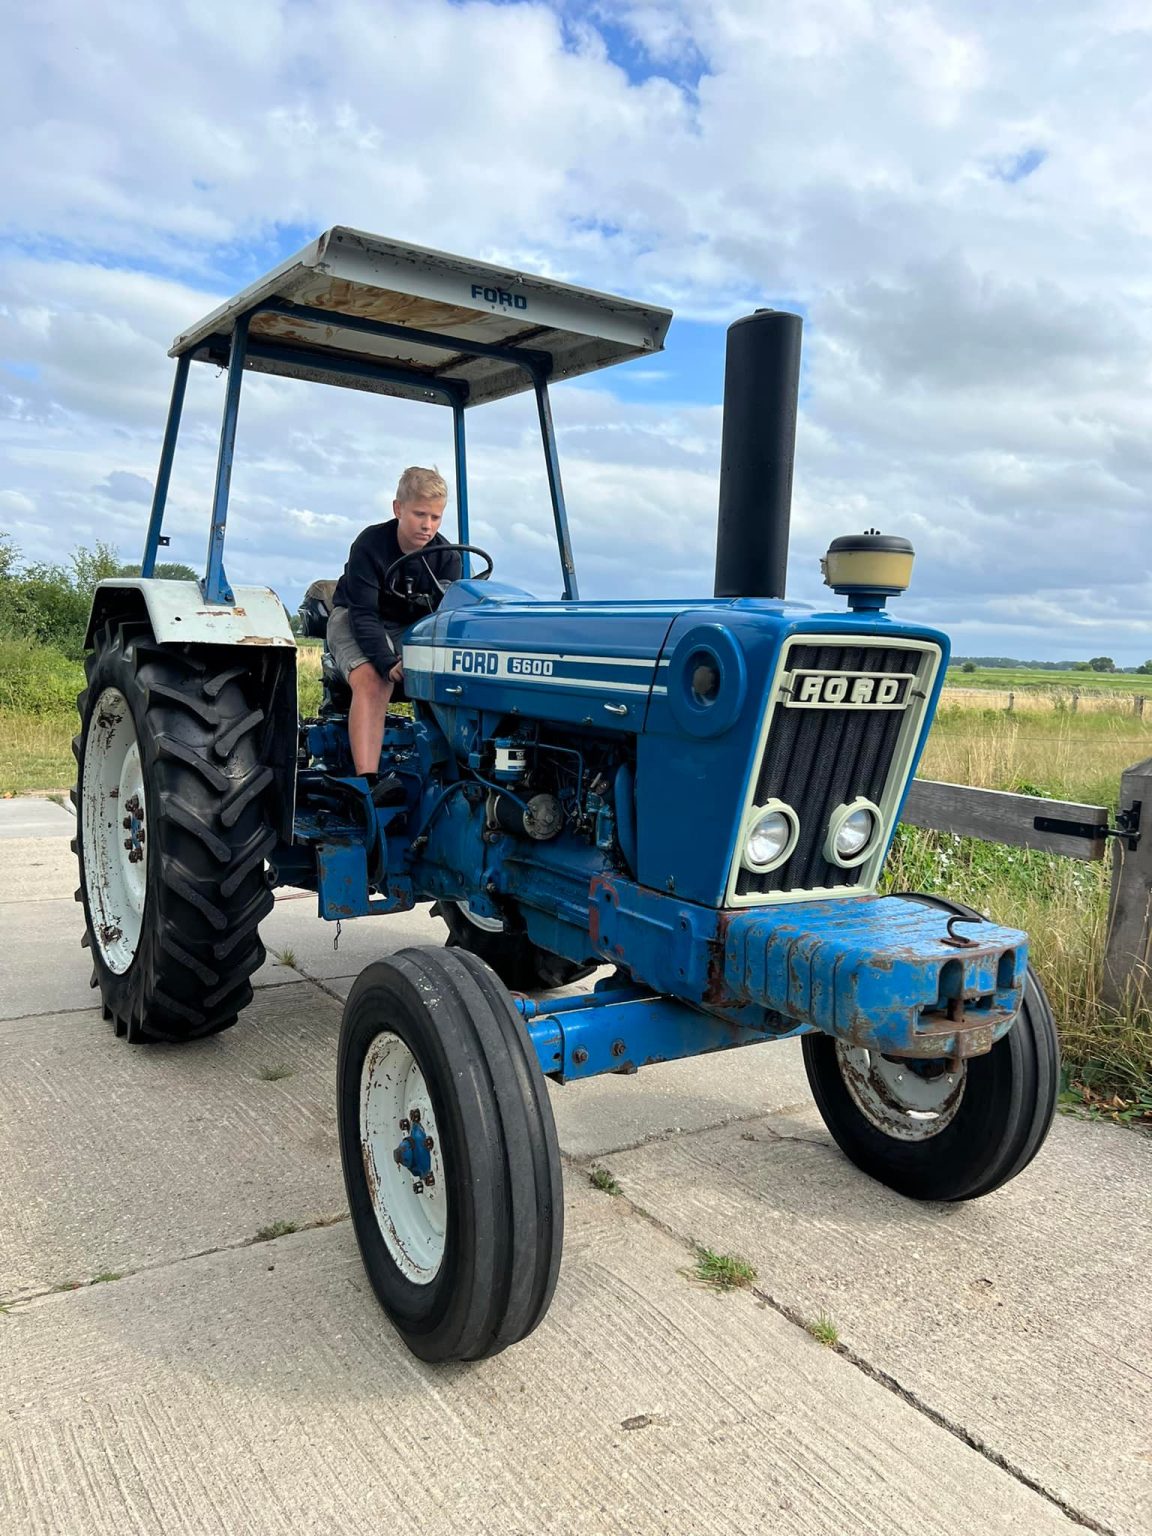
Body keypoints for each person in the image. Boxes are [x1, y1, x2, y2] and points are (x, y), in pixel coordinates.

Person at [328, 466, 462, 782]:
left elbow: (442, 620)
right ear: (398, 509)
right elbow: (363, 614)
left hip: (409, 626)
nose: (427, 525)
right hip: (354, 616)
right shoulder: (370, 545)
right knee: (374, 681)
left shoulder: (447, 558)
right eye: (419, 514)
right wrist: (388, 662)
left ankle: (446, 774)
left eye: (435, 517)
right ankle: (368, 782)